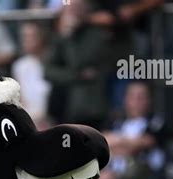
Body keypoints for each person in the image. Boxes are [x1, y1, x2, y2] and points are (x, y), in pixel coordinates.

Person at [45, 0, 111, 129]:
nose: (73, 12)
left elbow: (78, 61)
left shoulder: (97, 35)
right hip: (63, 105)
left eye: (77, 8)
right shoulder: (61, 37)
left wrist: (68, 35)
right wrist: (77, 76)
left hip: (89, 108)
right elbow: (48, 72)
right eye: (70, 8)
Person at [11, 22, 50, 126]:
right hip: (31, 120)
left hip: (51, 118)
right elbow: (21, 100)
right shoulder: (19, 66)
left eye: (31, 36)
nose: (26, 41)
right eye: (24, 37)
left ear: (42, 37)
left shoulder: (52, 62)